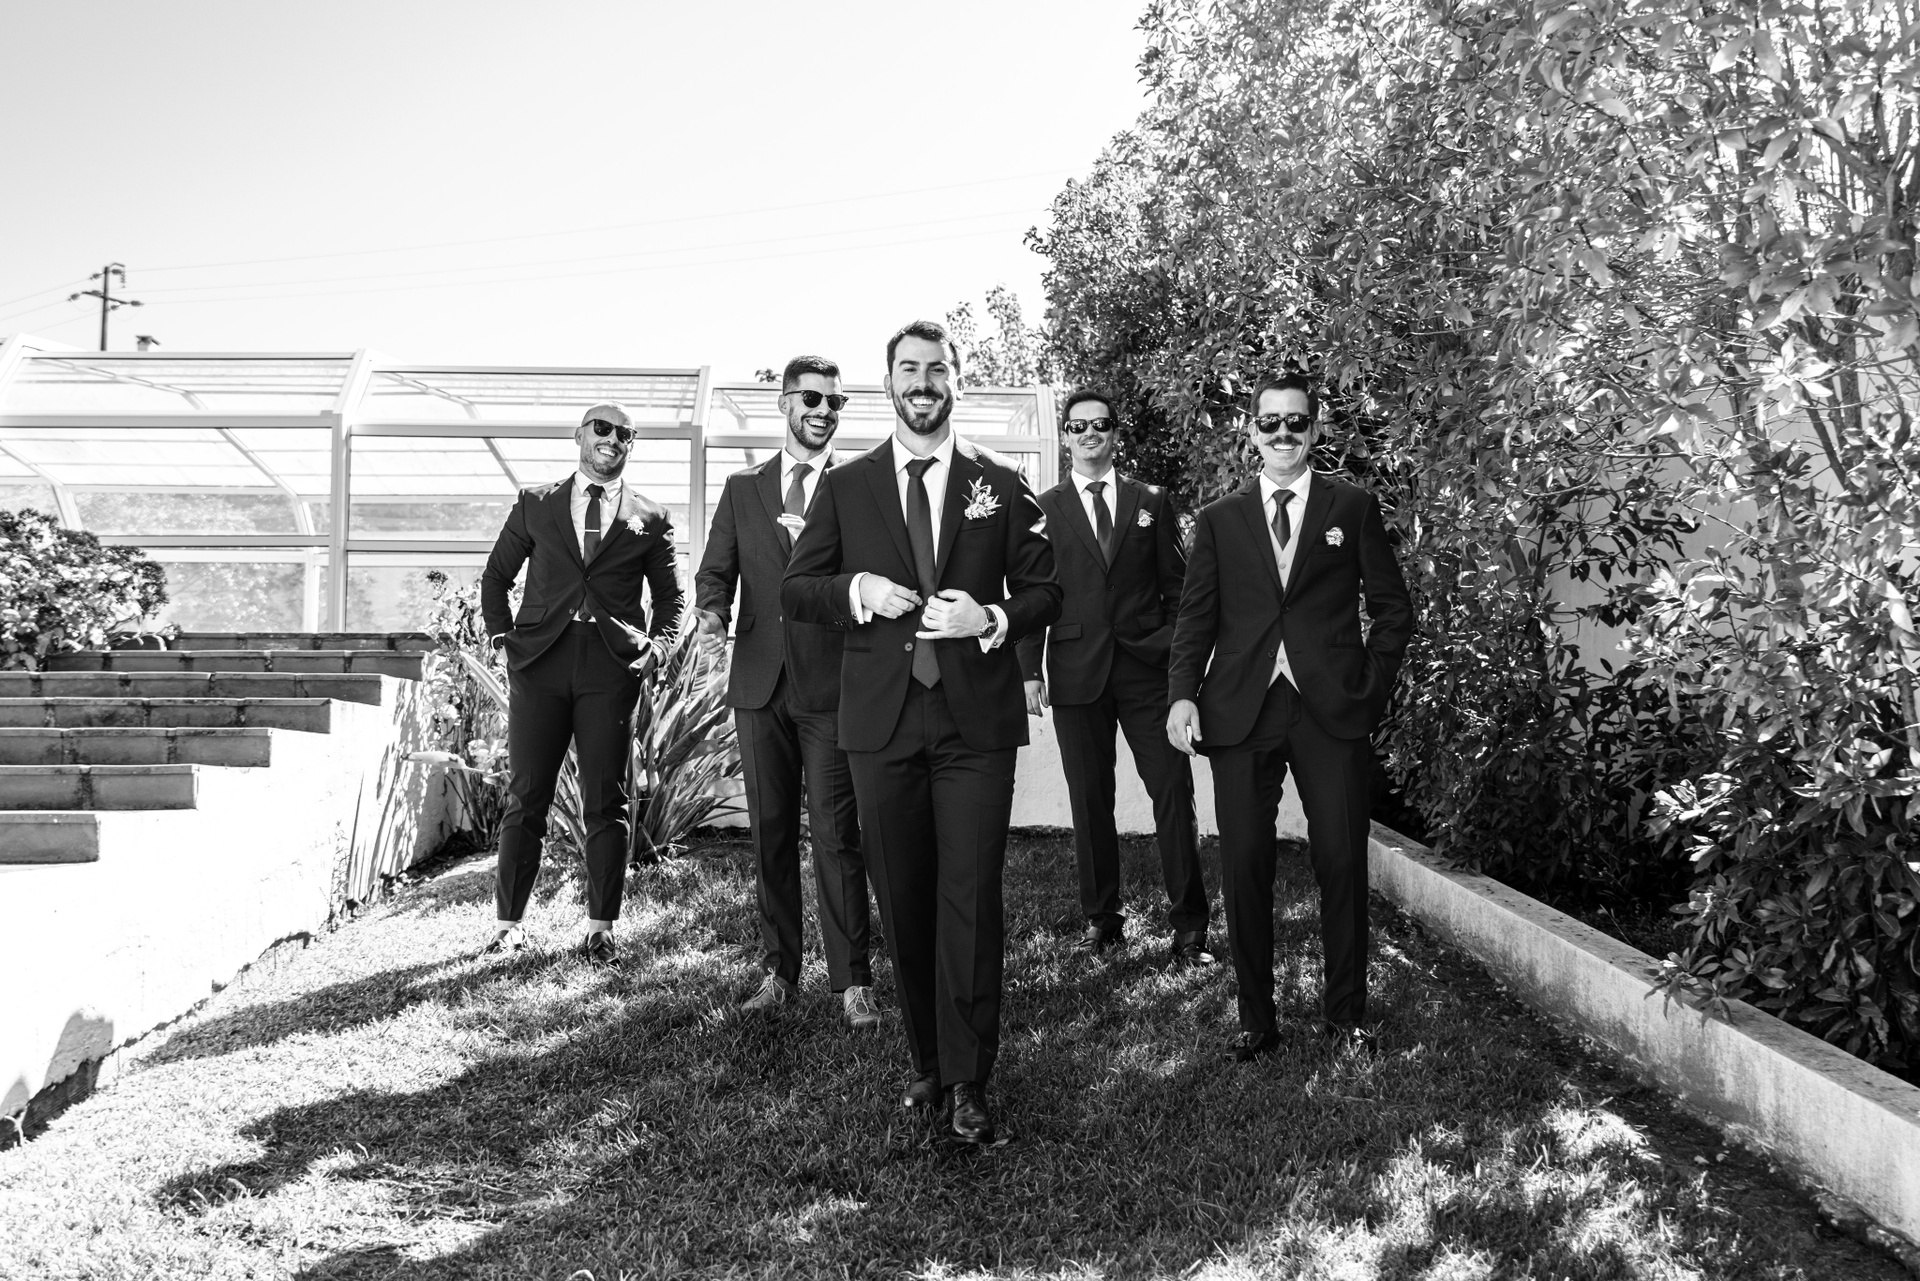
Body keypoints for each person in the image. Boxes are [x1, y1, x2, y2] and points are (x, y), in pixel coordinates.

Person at [782, 320, 1060, 1144]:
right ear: (890, 384)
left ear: (957, 381)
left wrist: (991, 617)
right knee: (903, 896)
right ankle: (928, 1060)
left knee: (969, 893)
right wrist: (859, 590)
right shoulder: (847, 485)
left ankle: (971, 1078)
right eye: (909, 368)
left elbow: (1047, 591)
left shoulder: (1000, 482)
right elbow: (798, 588)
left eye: (937, 368)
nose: (923, 381)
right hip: (881, 722)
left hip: (975, 724)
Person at [1166, 373, 1412, 1060]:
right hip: (1239, 710)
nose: (1283, 434)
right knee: (1245, 865)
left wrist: (1369, 688)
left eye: (1295, 422)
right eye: (1270, 422)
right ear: (1251, 430)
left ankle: (1346, 1016)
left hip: (1329, 710)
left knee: (1342, 860)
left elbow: (1393, 610)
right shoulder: (1219, 519)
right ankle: (1256, 1020)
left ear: (1314, 428)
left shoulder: (1351, 506)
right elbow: (1195, 617)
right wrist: (1182, 693)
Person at [692, 355, 876, 1029]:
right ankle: (779, 972)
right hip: (758, 683)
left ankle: (853, 981)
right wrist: (711, 614)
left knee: (837, 834)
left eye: (835, 402)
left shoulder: (859, 486)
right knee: (769, 833)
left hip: (831, 683)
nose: (824, 411)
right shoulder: (743, 488)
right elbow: (716, 571)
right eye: (812, 398)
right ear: (785, 402)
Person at [479, 400, 683, 963]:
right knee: (527, 797)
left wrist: (658, 648)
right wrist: (501, 641)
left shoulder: (651, 516)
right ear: (580, 434)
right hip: (540, 662)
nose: (613, 439)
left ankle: (600, 928)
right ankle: (509, 925)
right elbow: (496, 577)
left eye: (626, 434)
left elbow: (670, 598)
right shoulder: (536, 503)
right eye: (603, 428)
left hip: (610, 667)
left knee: (606, 801)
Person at [1016, 390, 1211, 965]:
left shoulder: (1152, 501)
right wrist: (1029, 670)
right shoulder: (1042, 507)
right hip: (1076, 671)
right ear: (1066, 436)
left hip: (1149, 672)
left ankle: (1191, 928)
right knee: (1090, 800)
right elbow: (1034, 593)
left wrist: (1177, 660)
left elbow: (1179, 590)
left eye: (1100, 424)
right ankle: (1103, 921)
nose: (1090, 434)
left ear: (1116, 434)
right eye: (1078, 426)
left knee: (1172, 791)